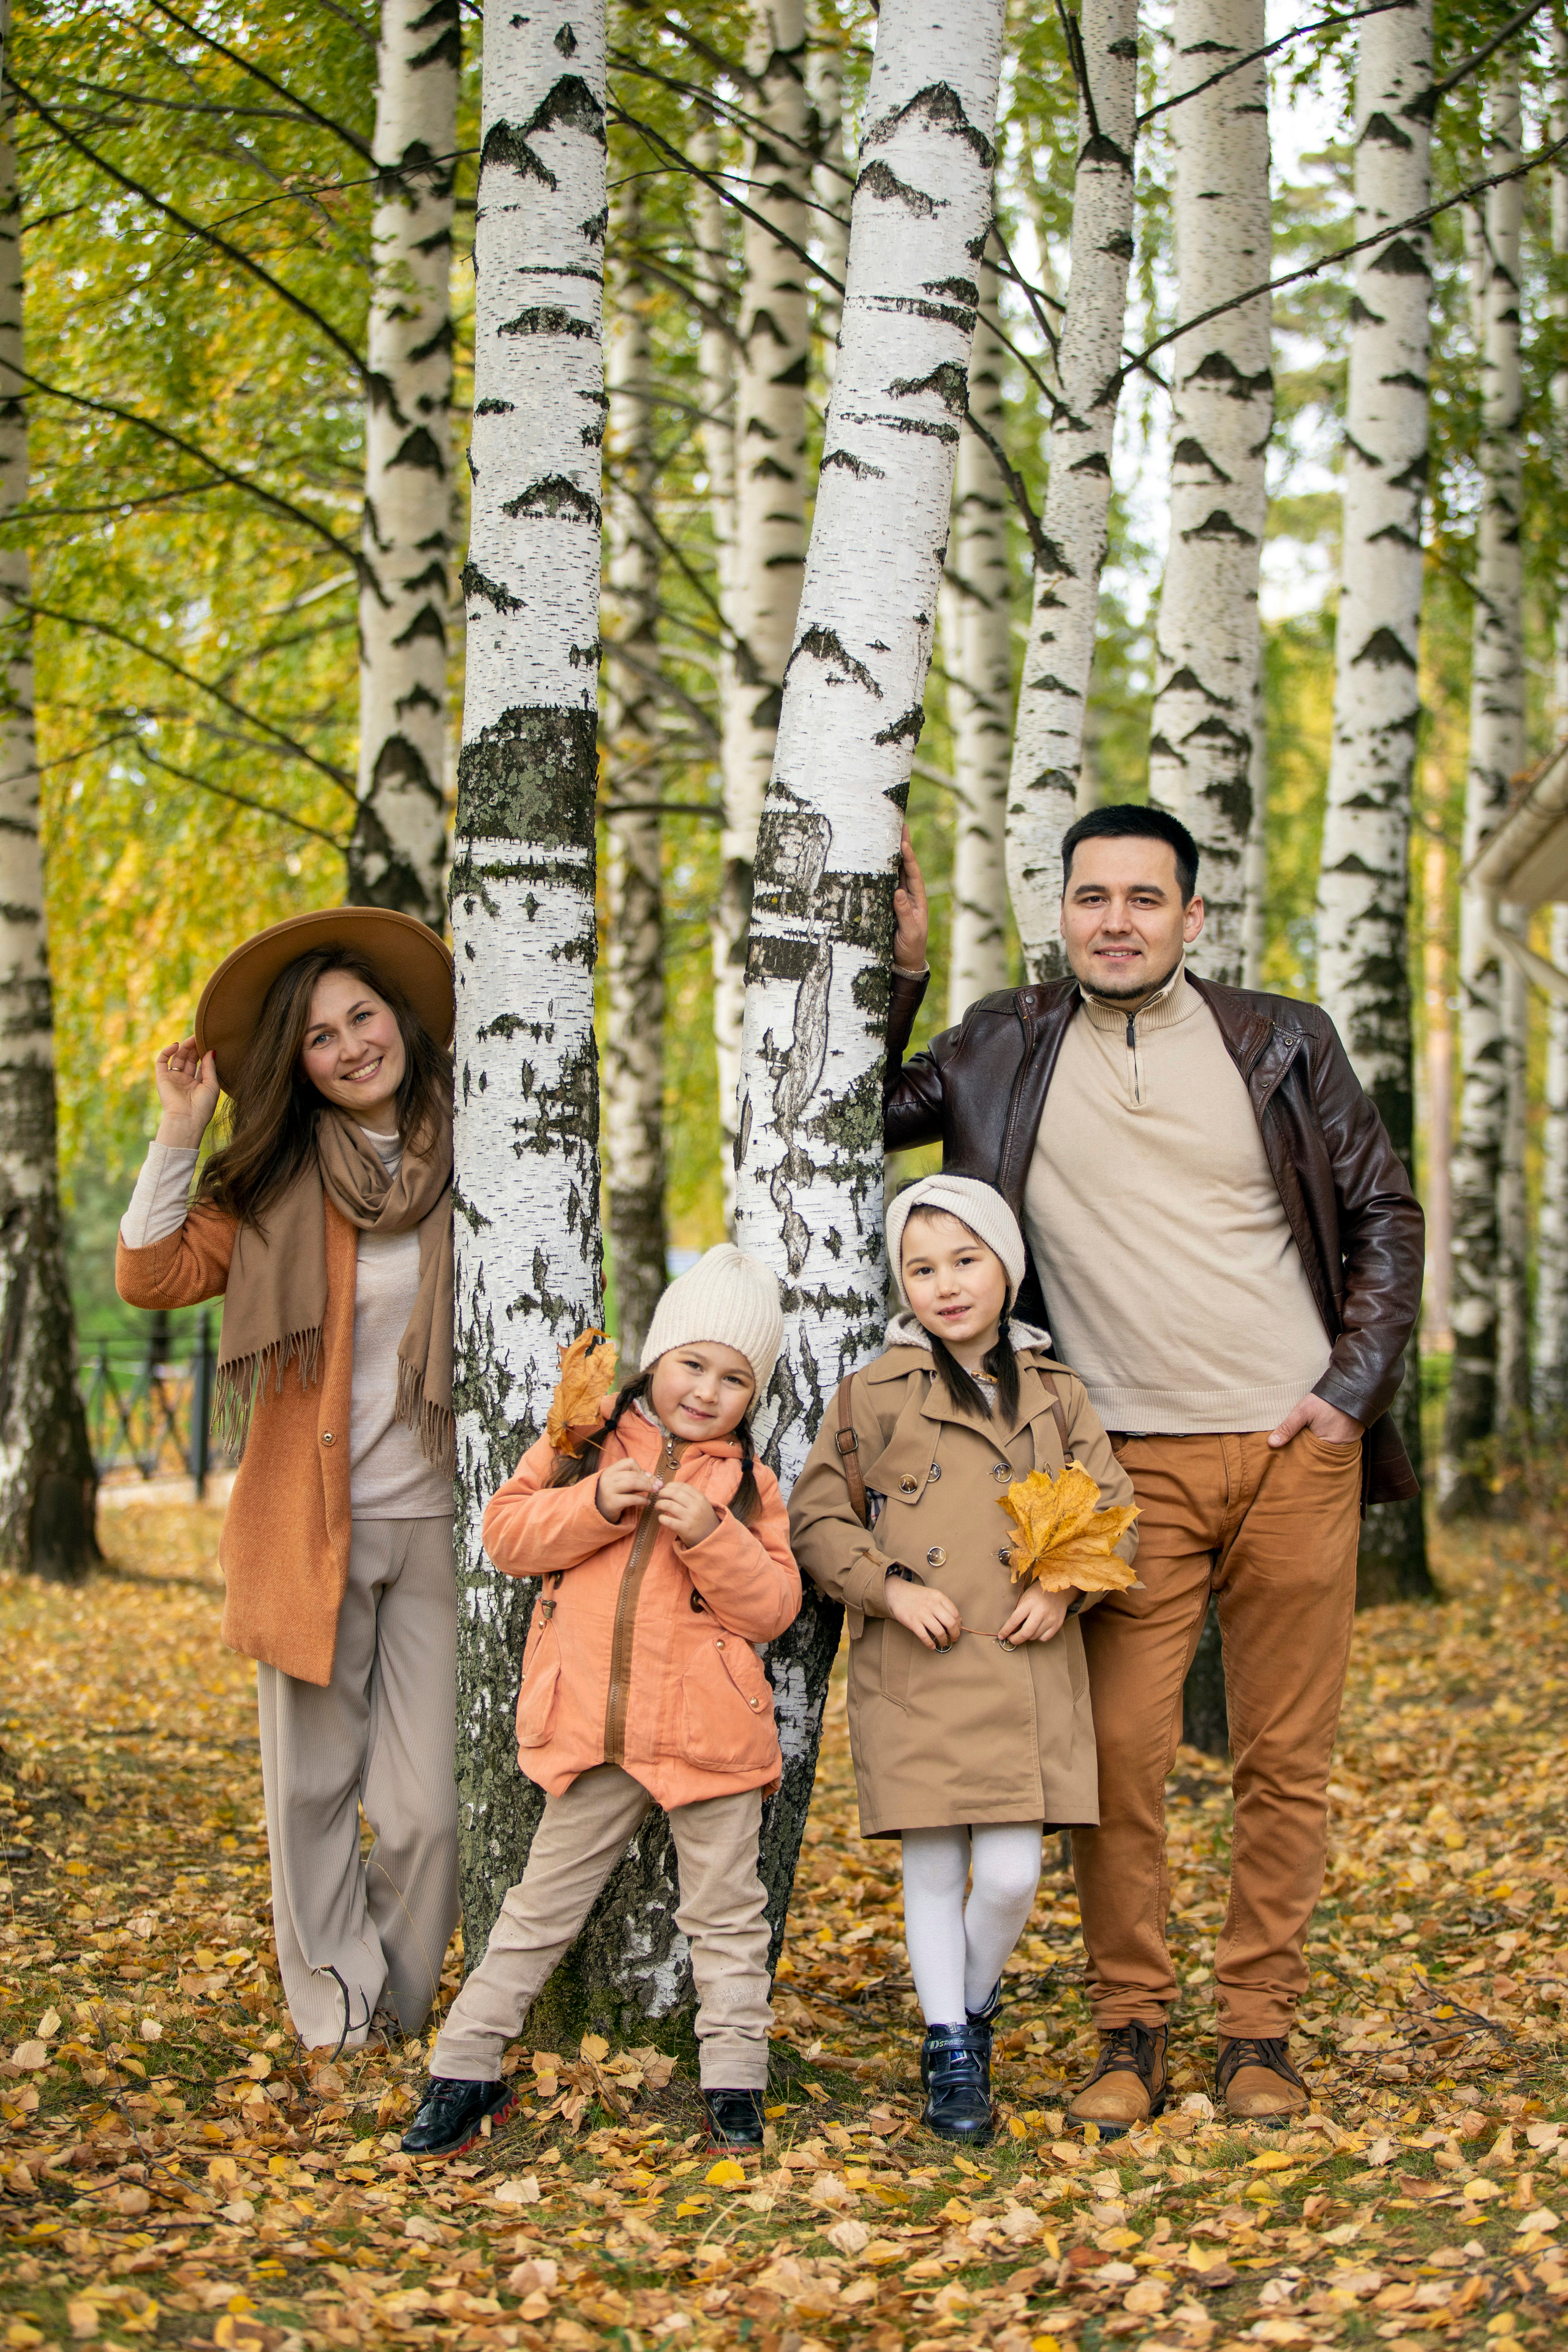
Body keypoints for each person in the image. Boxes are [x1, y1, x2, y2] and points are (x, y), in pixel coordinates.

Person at [882, 805, 1424, 2130]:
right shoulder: (997, 1043)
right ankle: (1129, 2028)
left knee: (1281, 1757)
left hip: (1291, 1448)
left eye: (1142, 897)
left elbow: (1381, 1215)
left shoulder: (1282, 1037)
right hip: (1114, 1470)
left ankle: (1257, 2037)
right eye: (1089, 897)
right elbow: (851, 1115)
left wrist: (1345, 1398)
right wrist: (893, 975)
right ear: (1057, 913)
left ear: (1191, 918)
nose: (1113, 919)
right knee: (1115, 1758)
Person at [116, 908, 460, 2054]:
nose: (352, 1044)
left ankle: (399, 2005)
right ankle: (342, 2016)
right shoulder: (269, 1183)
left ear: (401, 1022)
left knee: (428, 1809)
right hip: (312, 1524)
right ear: (299, 1066)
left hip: (450, 1527)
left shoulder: (482, 1149)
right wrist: (180, 1130)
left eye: (364, 1015)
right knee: (311, 1794)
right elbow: (154, 1272)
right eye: (321, 1036)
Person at [402, 1246, 801, 2160]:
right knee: (540, 1905)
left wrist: (712, 1537)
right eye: (693, 1364)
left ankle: (735, 2086)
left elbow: (772, 1608)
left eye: (735, 1379)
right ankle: (464, 2072)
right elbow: (505, 1534)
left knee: (727, 1916)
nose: (707, 1391)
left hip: (707, 1736)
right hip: (590, 1729)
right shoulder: (580, 1443)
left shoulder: (747, 1485)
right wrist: (590, 1506)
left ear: (754, 1395)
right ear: (656, 1359)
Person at [789, 1175, 1136, 2144]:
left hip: (1027, 1663)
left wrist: (1062, 1584)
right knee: (935, 1872)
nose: (945, 1284)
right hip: (920, 1666)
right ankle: (950, 2047)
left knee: (1017, 1875)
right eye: (921, 1267)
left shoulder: (1060, 1393)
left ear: (1007, 1268)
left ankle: (972, 2010)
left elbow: (1114, 1510)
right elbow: (818, 1516)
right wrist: (891, 1587)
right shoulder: (875, 1391)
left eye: (966, 1260)